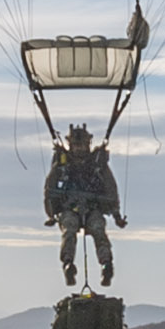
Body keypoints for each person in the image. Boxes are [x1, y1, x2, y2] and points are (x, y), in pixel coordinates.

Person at [44, 123, 126, 288]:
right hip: (70, 209)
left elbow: (111, 189)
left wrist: (116, 215)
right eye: (76, 145)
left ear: (88, 145)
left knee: (98, 230)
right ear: (71, 145)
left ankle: (106, 265)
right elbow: (49, 188)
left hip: (92, 209)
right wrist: (51, 214)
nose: (79, 149)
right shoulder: (62, 164)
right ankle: (68, 264)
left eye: (82, 145)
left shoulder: (97, 164)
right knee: (69, 230)